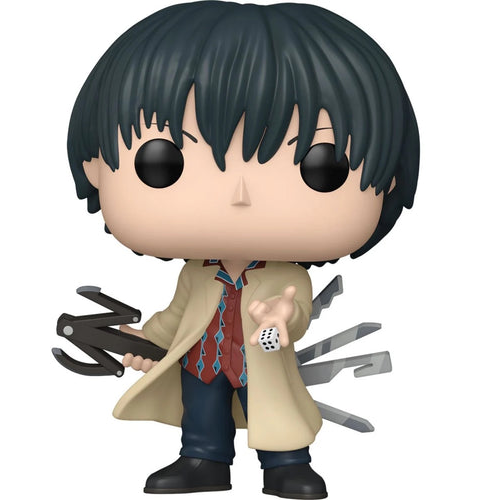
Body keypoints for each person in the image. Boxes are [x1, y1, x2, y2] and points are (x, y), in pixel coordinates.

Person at [67, 2, 419, 498]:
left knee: (275, 415)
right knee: (202, 413)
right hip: (202, 362)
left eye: (321, 167)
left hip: (261, 363)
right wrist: (143, 340)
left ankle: (287, 466)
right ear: (95, 167)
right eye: (162, 161)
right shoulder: (197, 272)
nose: (240, 195)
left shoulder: (285, 275)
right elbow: (177, 316)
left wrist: (283, 318)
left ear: (389, 181)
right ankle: (202, 461)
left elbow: (295, 312)